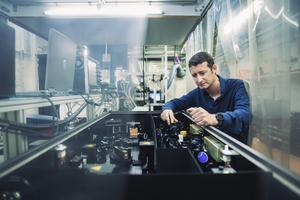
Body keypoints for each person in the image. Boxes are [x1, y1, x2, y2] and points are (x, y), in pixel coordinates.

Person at [160, 52, 251, 143]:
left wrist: (216, 118)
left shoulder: (236, 86)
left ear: (214, 69)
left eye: (202, 73)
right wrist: (167, 109)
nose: (199, 80)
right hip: (208, 147)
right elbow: (174, 103)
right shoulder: (197, 93)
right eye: (195, 75)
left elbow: (244, 114)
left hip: (235, 148)